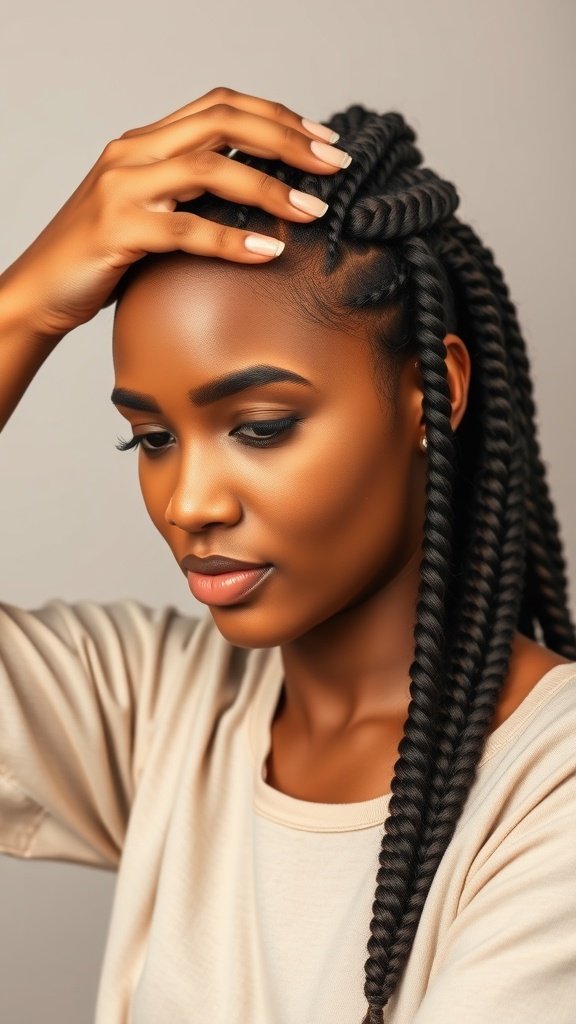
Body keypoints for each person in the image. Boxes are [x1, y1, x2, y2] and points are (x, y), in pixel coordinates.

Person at [0, 86, 575, 1024]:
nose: (189, 503)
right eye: (149, 439)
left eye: (260, 428)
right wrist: (25, 302)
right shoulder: (165, 710)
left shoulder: (550, 793)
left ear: (437, 392)